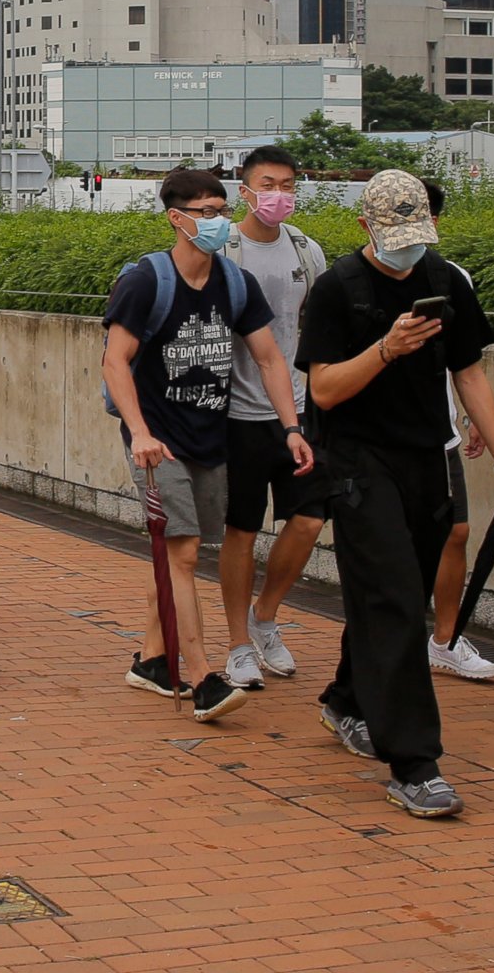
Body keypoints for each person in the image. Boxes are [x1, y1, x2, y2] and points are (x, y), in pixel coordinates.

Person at [296, 169, 494, 820]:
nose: (409, 247)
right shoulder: (338, 287)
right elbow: (325, 389)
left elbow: (471, 373)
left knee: (393, 595)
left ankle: (346, 699)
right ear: (367, 227)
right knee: (396, 599)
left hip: (428, 457)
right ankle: (416, 764)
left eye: (419, 234)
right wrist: (387, 348)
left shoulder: (445, 279)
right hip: (358, 463)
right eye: (396, 236)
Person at [100, 168, 287, 721]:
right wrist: (139, 432)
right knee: (181, 553)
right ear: (175, 218)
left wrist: (293, 427)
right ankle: (203, 675)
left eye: (221, 210)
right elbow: (115, 361)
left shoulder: (235, 283)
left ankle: (152, 661)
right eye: (205, 212)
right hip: (159, 443)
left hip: (211, 436)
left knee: (181, 552)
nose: (216, 222)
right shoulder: (144, 282)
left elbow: (270, 358)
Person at [216, 147, 328, 690]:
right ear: (245, 190)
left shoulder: (307, 251)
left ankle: (266, 615)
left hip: (302, 411)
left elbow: (315, 327)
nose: (279, 193)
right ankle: (238, 643)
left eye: (287, 183)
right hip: (237, 414)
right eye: (268, 184)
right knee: (240, 530)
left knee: (307, 520)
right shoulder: (226, 252)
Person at [419, 179, 494, 686]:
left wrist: (476, 422)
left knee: (457, 532)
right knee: (395, 547)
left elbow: (466, 366)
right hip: (378, 443)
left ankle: (445, 640)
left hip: (440, 435)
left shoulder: (452, 278)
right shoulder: (351, 278)